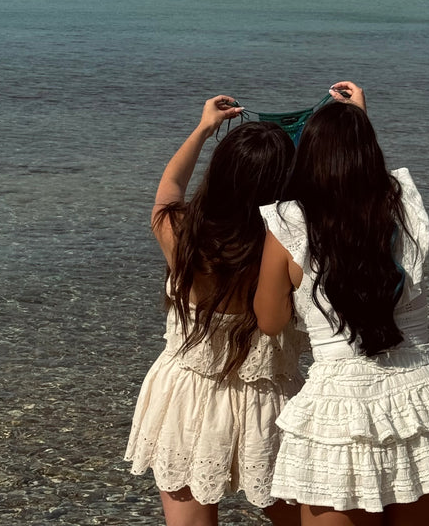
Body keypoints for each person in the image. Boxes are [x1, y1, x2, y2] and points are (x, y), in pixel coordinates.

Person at [254, 82, 429, 526]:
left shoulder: (288, 221)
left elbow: (270, 320)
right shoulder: (403, 206)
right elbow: (376, 176)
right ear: (369, 153)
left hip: (341, 413)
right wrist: (358, 118)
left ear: (309, 159)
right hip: (424, 400)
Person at [125, 95, 305, 526]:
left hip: (184, 397)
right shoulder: (294, 252)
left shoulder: (182, 235)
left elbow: (166, 194)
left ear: (220, 175)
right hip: (270, 400)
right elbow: (355, 209)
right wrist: (354, 128)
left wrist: (204, 129)